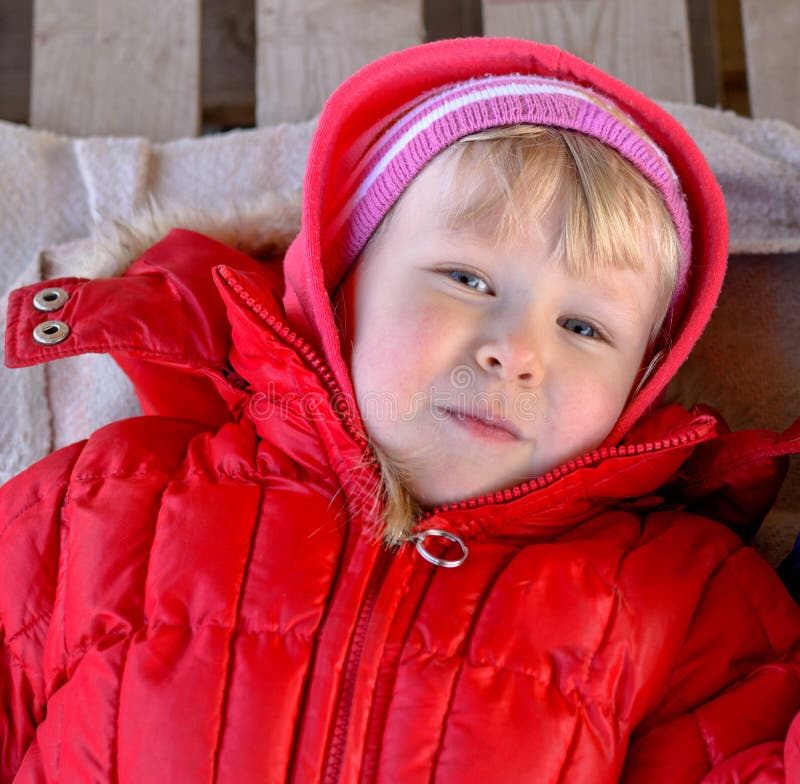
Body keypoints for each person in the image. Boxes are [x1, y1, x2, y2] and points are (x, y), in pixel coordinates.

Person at [2, 36, 799, 783]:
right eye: (467, 279)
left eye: (584, 327)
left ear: (638, 389)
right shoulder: (104, 502)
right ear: (337, 289)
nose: (516, 351)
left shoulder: (680, 599)